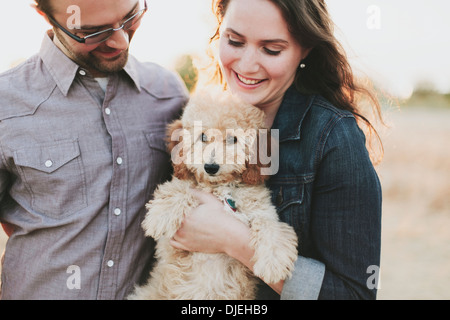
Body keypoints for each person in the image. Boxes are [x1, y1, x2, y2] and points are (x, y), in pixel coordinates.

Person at [170, 0, 383, 299]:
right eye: (234, 41)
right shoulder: (198, 115)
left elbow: (354, 294)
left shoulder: (334, 138)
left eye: (271, 50)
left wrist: (233, 240)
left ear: (305, 49)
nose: (246, 65)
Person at [0, 0, 188, 299]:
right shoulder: (6, 103)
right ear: (44, 15)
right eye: (92, 31)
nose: (120, 40)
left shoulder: (169, 93)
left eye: (130, 17)